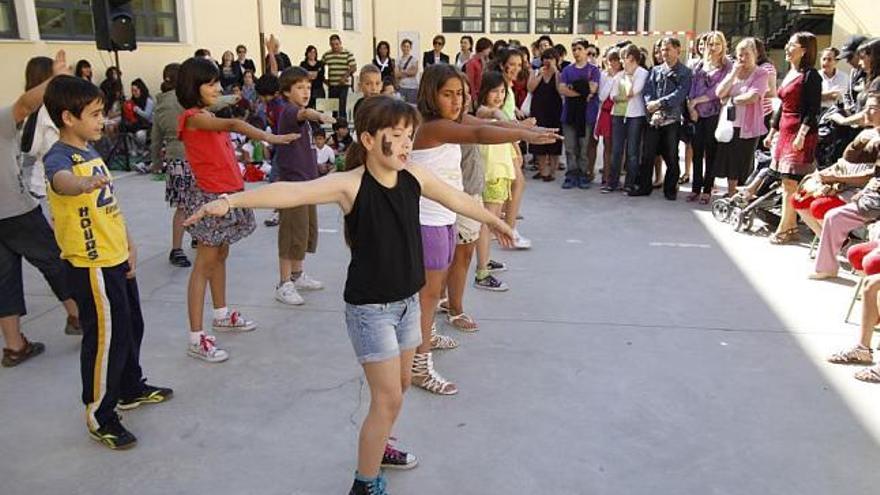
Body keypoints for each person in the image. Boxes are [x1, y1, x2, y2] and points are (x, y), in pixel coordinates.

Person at [185, 94, 515, 495]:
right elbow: (292, 193)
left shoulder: (414, 176)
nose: (407, 144)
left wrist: (494, 221)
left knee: (401, 389)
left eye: (410, 135)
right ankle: (364, 482)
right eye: (397, 135)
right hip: (370, 310)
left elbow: (458, 199)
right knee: (388, 395)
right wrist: (230, 201)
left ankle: (380, 447)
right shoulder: (350, 185)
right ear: (370, 139)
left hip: (408, 305)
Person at [410, 64, 560, 396]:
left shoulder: (452, 119)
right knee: (429, 295)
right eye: (447, 94)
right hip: (428, 222)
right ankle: (420, 365)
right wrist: (524, 135)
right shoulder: (433, 126)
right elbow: (479, 135)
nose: (456, 100)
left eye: (461, 94)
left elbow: (489, 123)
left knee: (433, 294)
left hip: (445, 218)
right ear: (430, 95)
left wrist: (525, 129)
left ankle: (426, 334)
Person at [43, 74, 172, 449]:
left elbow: (110, 207)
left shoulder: (91, 150)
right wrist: (79, 185)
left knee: (132, 327)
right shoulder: (61, 157)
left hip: (115, 257)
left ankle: (130, 387)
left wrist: (129, 244)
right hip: (91, 264)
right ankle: (100, 413)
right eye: (95, 114)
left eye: (103, 113)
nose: (103, 121)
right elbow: (61, 181)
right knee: (106, 340)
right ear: (69, 117)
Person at [176, 57, 300, 362]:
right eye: (210, 83)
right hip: (210, 197)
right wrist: (272, 138)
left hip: (229, 193)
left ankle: (220, 313)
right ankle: (196, 337)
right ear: (193, 87)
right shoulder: (192, 117)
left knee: (220, 255)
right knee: (204, 263)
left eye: (217, 81)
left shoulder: (206, 111)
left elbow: (225, 108)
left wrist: (228, 97)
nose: (217, 87)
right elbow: (231, 123)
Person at [1, 51, 81, 368]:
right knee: (54, 261)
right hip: (16, 210)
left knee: (4, 279)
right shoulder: (3, 118)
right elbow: (25, 103)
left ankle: (15, 346)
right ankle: (78, 317)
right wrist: (56, 79)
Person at [272, 67, 336, 306]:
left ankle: (297, 275)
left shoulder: (297, 111)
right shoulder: (290, 111)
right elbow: (304, 114)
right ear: (287, 91)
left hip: (307, 184)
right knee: (290, 234)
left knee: (303, 232)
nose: (306, 91)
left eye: (308, 87)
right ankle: (284, 282)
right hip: (293, 185)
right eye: (300, 87)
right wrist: (319, 116)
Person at [809, 86, 880, 280]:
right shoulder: (873, 136)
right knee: (832, 215)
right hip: (868, 197)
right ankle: (827, 267)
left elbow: (870, 175)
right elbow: (851, 158)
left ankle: (869, 286)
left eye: (872, 108)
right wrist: (863, 137)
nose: (868, 112)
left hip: (872, 200)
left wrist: (839, 181)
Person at [765, 32, 821, 245]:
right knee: (786, 182)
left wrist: (801, 136)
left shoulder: (811, 76)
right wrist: (772, 131)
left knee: (791, 182)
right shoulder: (791, 72)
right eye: (787, 45)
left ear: (804, 50)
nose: (787, 48)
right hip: (785, 131)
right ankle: (790, 226)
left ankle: (786, 227)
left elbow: (812, 110)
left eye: (792, 45)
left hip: (800, 133)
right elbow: (782, 107)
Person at [630, 37, 693, 200]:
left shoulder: (685, 72)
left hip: (671, 120)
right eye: (663, 49)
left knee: (671, 156)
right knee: (648, 154)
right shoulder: (656, 70)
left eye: (668, 49)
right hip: (654, 119)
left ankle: (670, 189)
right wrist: (651, 106)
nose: (664, 53)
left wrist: (659, 104)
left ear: (678, 50)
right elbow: (648, 91)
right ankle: (644, 186)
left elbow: (680, 95)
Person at [714, 38, 769, 197]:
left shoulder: (761, 73)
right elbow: (719, 93)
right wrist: (733, 75)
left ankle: (743, 194)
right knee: (730, 160)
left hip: (750, 125)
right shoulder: (734, 71)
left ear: (755, 54)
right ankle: (731, 193)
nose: (742, 58)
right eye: (739, 55)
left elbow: (753, 96)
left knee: (744, 161)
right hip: (730, 125)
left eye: (746, 54)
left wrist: (731, 99)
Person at [150, 63, 192, 268]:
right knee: (196, 200)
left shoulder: (160, 103)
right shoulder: (186, 99)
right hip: (193, 154)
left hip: (174, 157)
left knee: (182, 205)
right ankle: (185, 243)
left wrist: (156, 162)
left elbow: (155, 137)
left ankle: (178, 247)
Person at [686, 31, 732, 203]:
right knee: (696, 150)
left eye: (717, 44)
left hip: (714, 113)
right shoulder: (699, 65)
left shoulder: (727, 65)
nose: (713, 47)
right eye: (710, 44)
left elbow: (718, 90)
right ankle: (695, 188)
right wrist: (692, 107)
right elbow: (692, 86)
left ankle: (707, 189)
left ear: (723, 46)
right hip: (696, 113)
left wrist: (698, 100)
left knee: (710, 152)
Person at [559, 40, 600, 190]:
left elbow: (593, 88)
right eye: (574, 49)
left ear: (586, 50)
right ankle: (571, 174)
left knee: (583, 148)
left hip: (586, 115)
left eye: (579, 49)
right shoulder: (567, 70)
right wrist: (582, 91)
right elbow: (562, 89)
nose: (576, 52)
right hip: (569, 113)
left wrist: (574, 87)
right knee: (570, 147)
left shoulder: (593, 70)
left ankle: (583, 174)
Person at [607, 43, 649, 193]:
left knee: (632, 151)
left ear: (630, 58)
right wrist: (621, 96)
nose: (621, 62)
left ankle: (629, 183)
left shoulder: (642, 73)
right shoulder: (619, 75)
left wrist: (629, 78)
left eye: (623, 59)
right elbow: (613, 96)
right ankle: (612, 182)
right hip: (618, 115)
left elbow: (633, 92)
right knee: (616, 150)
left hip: (635, 116)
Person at [528, 47, 563, 181]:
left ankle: (553, 172)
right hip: (539, 110)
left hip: (555, 111)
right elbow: (530, 88)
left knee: (554, 141)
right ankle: (543, 172)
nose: (548, 61)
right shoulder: (536, 72)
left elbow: (560, 90)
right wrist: (540, 75)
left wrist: (556, 73)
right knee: (539, 141)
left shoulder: (559, 73)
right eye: (546, 58)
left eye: (551, 58)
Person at [595, 47, 621, 187]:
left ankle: (615, 176)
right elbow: (602, 96)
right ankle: (605, 176)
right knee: (607, 146)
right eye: (611, 60)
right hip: (606, 113)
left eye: (616, 60)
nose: (613, 63)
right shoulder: (604, 75)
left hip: (620, 113)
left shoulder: (624, 75)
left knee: (619, 148)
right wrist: (611, 79)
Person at [322, 34, 357, 120]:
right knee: (334, 108)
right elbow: (321, 68)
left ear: (340, 43)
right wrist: (325, 80)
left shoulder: (347, 53)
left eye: (336, 44)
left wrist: (345, 77)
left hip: (343, 85)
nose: (335, 46)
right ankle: (335, 126)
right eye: (332, 44)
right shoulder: (327, 55)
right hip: (332, 85)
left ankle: (343, 125)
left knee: (342, 106)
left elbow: (353, 67)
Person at [466, 37, 493, 104]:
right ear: (484, 48)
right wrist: (474, 98)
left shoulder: (487, 61)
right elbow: (470, 82)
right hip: (477, 95)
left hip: (485, 94)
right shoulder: (472, 62)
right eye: (489, 48)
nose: (490, 51)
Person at [395, 39, 420, 104]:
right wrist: (408, 71)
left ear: (410, 48)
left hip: (412, 87)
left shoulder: (414, 59)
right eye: (404, 46)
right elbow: (396, 74)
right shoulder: (398, 60)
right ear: (401, 47)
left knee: (412, 107)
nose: (406, 48)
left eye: (407, 46)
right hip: (402, 87)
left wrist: (402, 71)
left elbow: (414, 72)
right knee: (401, 107)